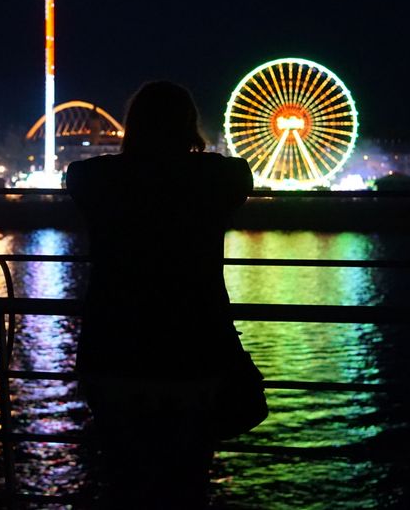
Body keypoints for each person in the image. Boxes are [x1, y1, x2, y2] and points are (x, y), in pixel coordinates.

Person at [65, 81, 253, 508]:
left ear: (131, 126)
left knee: (122, 479)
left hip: (113, 351)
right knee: (186, 482)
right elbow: (240, 173)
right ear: (189, 128)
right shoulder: (213, 179)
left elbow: (76, 176)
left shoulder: (97, 180)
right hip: (193, 353)